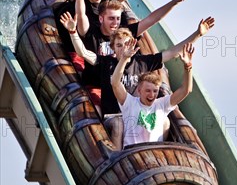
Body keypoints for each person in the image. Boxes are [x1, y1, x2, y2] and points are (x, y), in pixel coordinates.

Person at [59, 13, 214, 148]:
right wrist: (73, 31)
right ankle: (118, 161)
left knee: (165, 122)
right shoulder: (106, 63)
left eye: (126, 44)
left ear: (133, 44)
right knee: (119, 125)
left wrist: (197, 35)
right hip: (115, 116)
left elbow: (172, 52)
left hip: (138, 114)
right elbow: (83, 52)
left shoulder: (141, 63)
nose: (123, 48)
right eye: (119, 45)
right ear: (113, 47)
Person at [112, 40, 195, 148]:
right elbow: (115, 83)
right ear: (139, 90)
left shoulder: (162, 104)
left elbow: (186, 90)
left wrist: (188, 66)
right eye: (148, 91)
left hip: (154, 154)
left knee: (166, 121)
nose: (151, 95)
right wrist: (123, 59)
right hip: (132, 154)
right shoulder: (129, 103)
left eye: (155, 91)